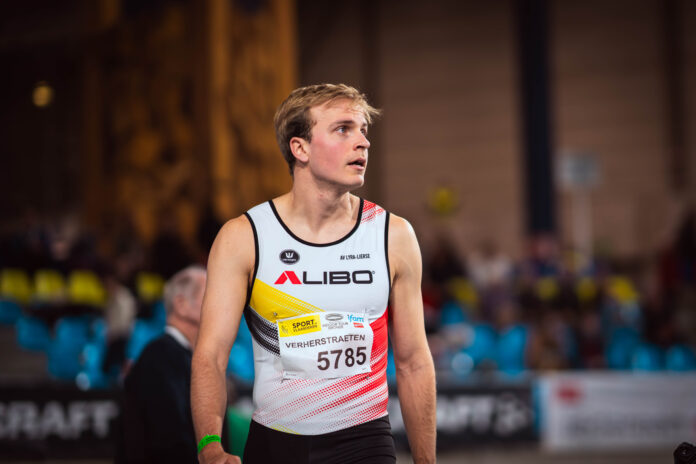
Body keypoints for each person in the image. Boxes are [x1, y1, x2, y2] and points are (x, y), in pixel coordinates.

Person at [192, 84, 436, 463]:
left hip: (365, 442)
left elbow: (413, 361)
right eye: (343, 129)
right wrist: (209, 445)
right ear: (300, 148)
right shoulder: (244, 237)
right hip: (276, 444)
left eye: (363, 130)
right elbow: (211, 355)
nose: (363, 142)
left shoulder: (393, 235)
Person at [120, 265, 208, 463]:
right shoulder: (160, 358)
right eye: (210, 295)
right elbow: (169, 440)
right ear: (181, 304)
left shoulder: (177, 356)